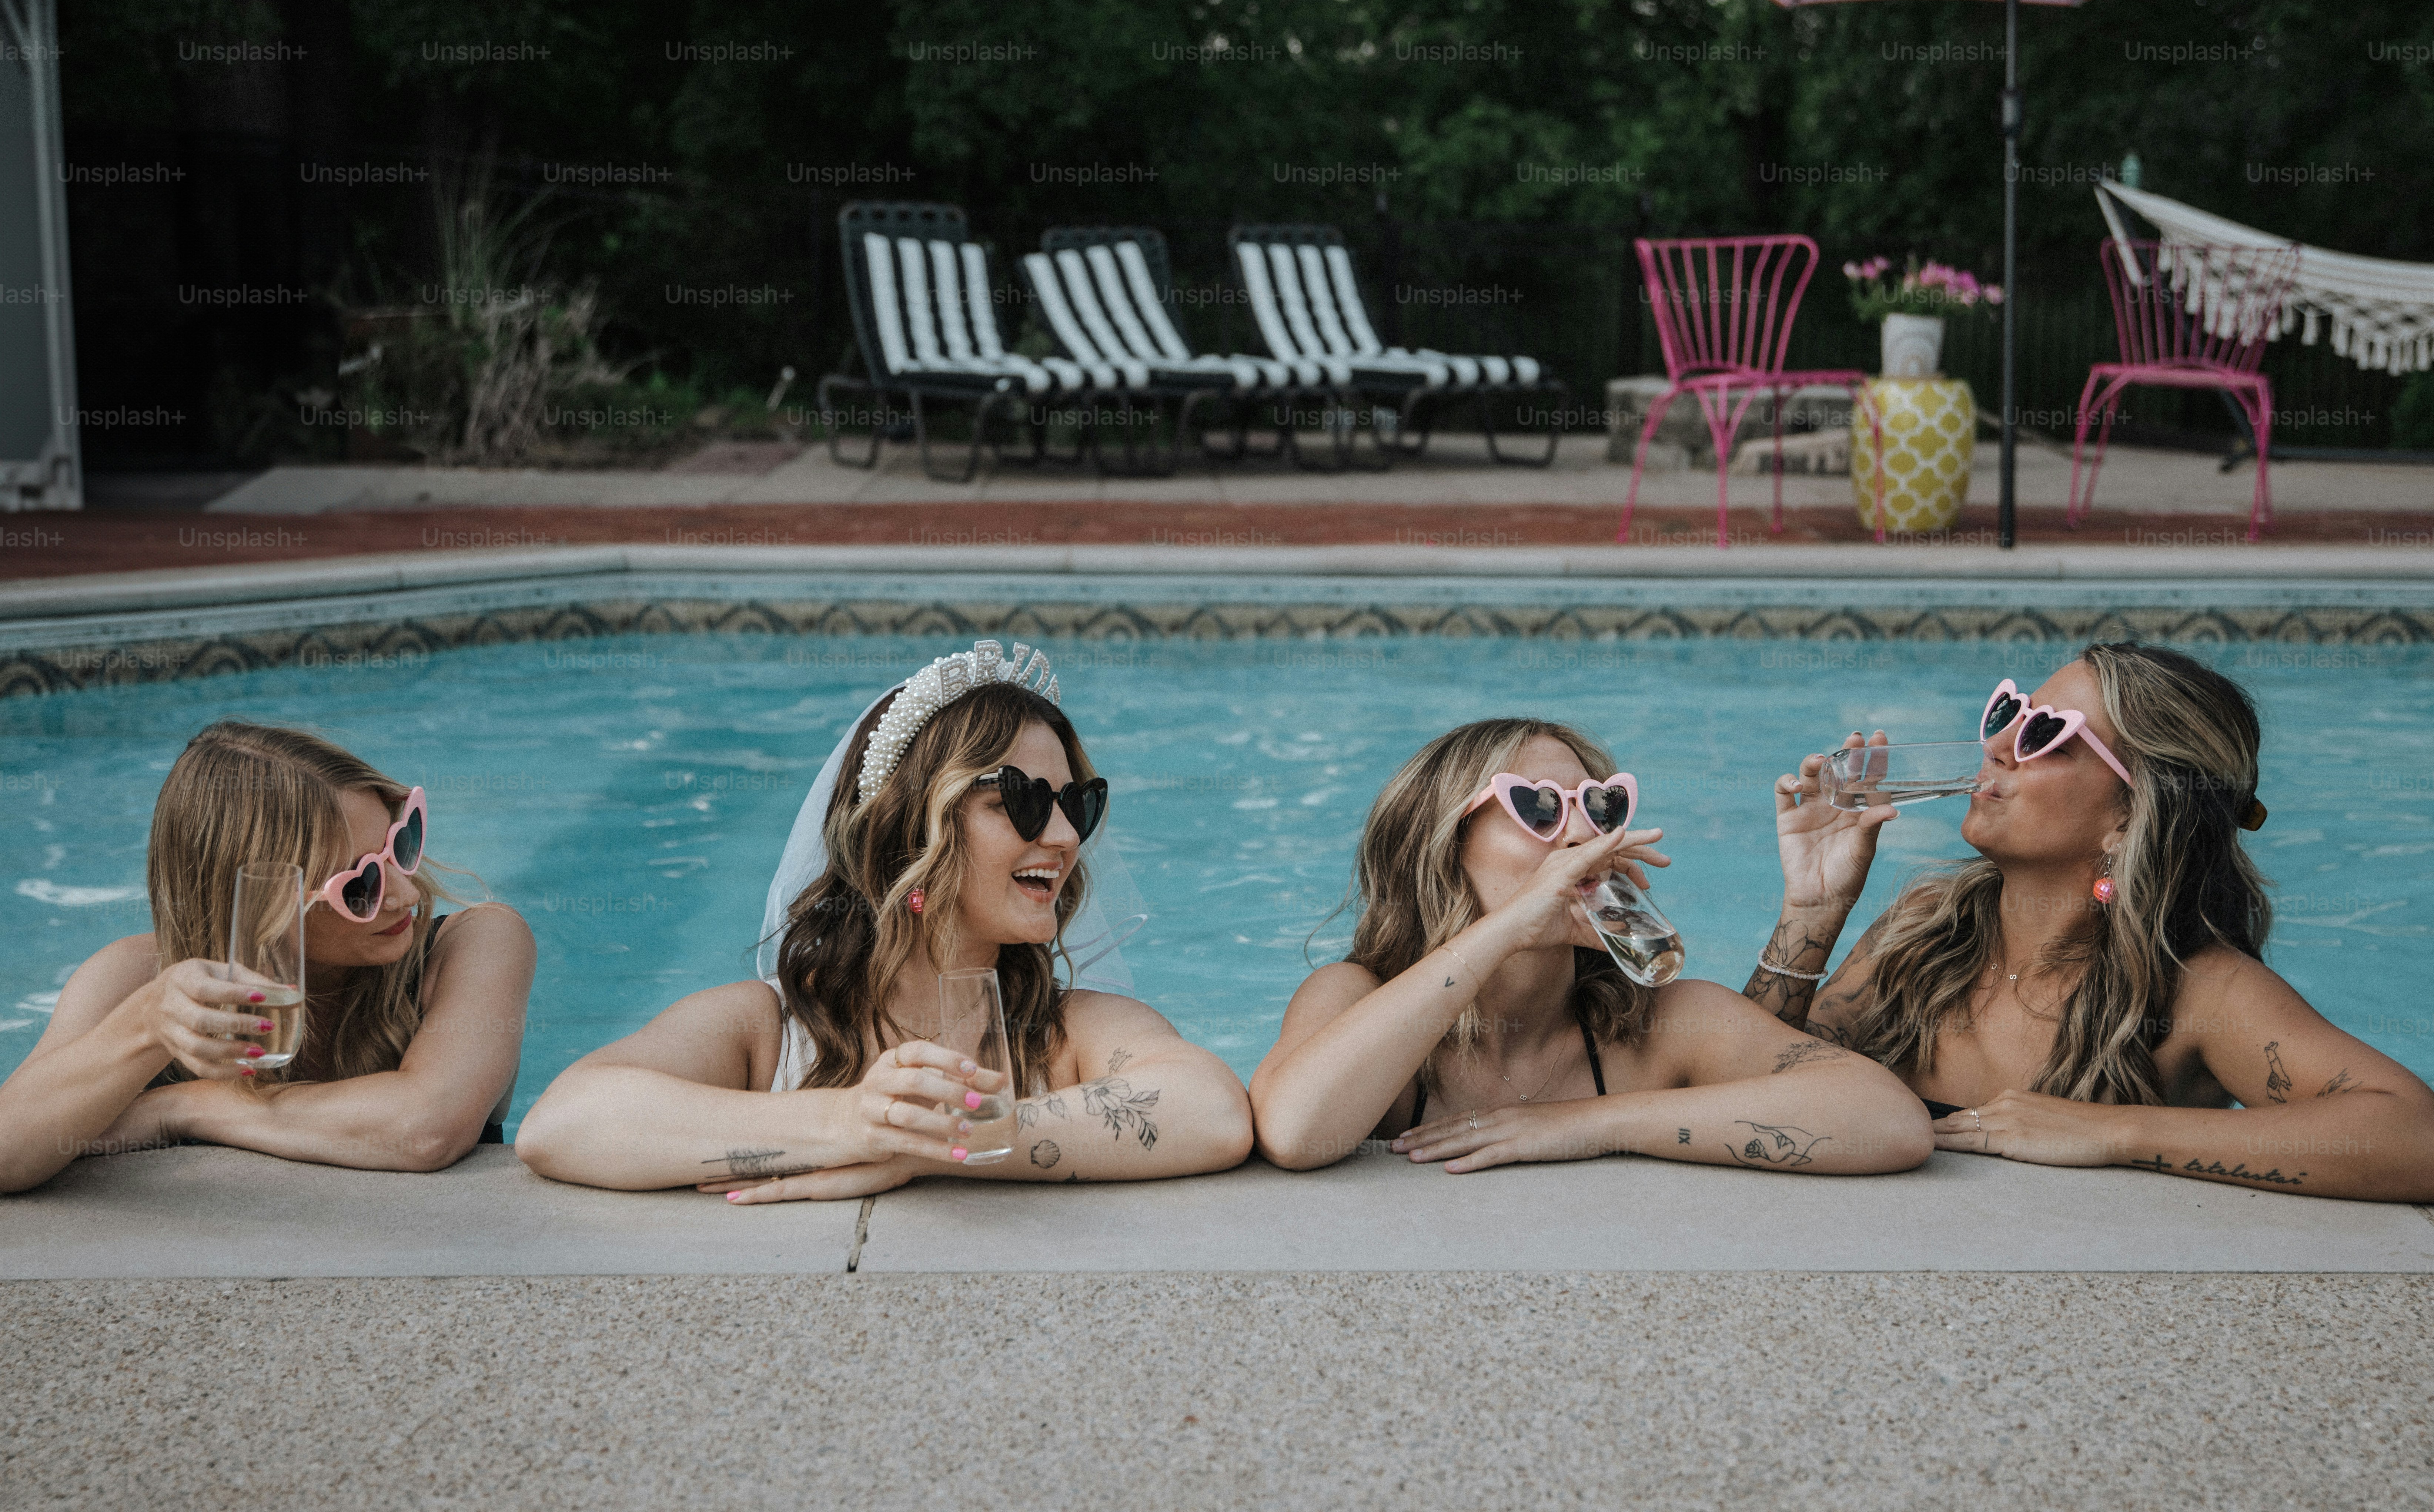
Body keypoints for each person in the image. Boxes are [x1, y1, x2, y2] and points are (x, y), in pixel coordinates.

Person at [515, 640, 1253, 1200]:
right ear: (910, 828)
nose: (1062, 837)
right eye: (1023, 801)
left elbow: (1215, 1111)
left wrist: (928, 1144)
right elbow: (563, 1122)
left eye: (1076, 803)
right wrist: (851, 1124)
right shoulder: (763, 1030)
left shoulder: (1066, 1031)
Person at [1744, 642, 2434, 1201]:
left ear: (2130, 815)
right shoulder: (1926, 932)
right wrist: (1812, 911)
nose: (1998, 744)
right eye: (2009, 712)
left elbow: (2415, 1137)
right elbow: (1744, 1081)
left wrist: (2112, 1133)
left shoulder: (2200, 991)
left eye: (2046, 736)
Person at [1251, 717, 1932, 1176]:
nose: (1582, 836)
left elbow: (1888, 1122)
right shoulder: (1354, 996)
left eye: (1600, 807)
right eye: (1541, 808)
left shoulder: (1660, 1024)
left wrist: (1585, 1126)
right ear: (1442, 845)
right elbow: (1295, 1130)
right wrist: (1506, 931)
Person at [0, 721, 533, 1193]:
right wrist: (144, 1028)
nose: (406, 895)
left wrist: (181, 1108)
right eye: (360, 884)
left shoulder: (474, 943)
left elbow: (425, 1130)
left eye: (400, 846)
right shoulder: (138, 979)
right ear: (261, 902)